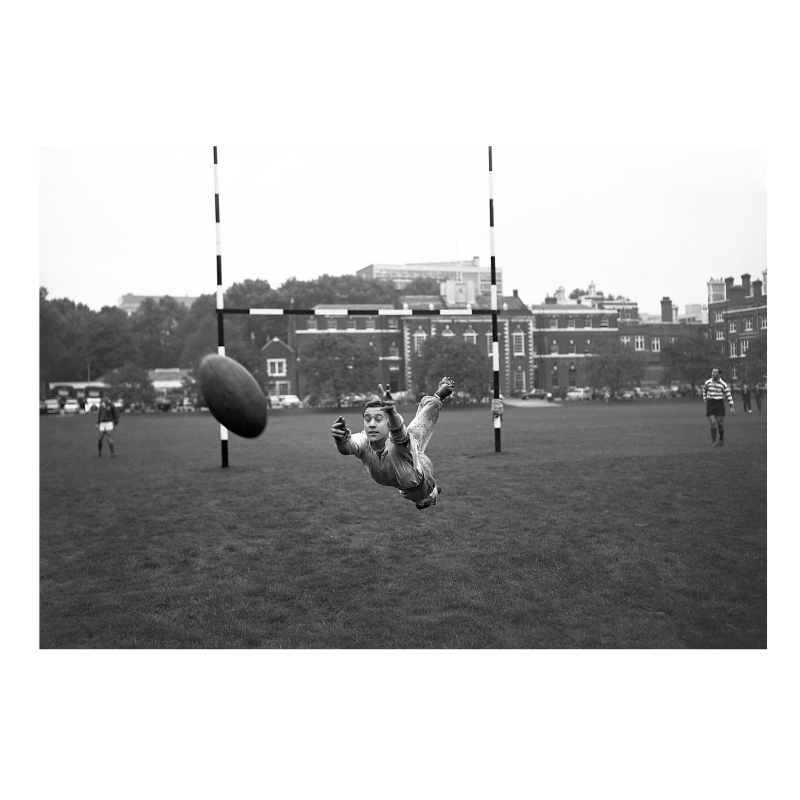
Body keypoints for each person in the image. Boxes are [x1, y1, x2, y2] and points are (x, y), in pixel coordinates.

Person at [331, 377, 454, 509]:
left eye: (378, 419)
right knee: (416, 430)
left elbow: (400, 434)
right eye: (367, 419)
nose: (372, 424)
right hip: (405, 479)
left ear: (388, 423)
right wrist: (341, 439)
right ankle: (436, 398)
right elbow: (348, 447)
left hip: (421, 480)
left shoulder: (399, 442)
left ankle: (432, 492)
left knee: (412, 435)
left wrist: (392, 412)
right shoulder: (364, 440)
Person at [701, 367, 735, 447]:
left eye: (715, 372)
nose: (712, 374)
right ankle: (713, 442)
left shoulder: (723, 384)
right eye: (712, 372)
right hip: (710, 403)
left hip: (719, 403)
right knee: (713, 423)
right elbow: (704, 390)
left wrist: (731, 407)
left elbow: (728, 396)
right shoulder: (708, 382)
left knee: (720, 423)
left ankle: (721, 439)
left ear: (719, 374)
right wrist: (705, 399)